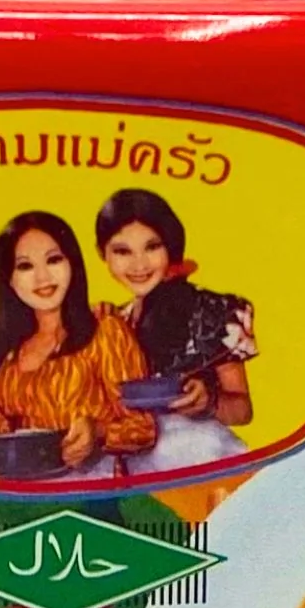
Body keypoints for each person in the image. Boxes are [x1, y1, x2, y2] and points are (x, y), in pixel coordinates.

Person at [0, 211, 156, 472]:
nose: (43, 278)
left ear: (72, 264)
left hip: (98, 483)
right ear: (9, 280)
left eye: (53, 260)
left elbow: (144, 427)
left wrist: (98, 431)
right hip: (26, 490)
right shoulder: (7, 358)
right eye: (25, 266)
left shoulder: (106, 332)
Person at [94, 187, 255, 475]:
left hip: (199, 454)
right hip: (136, 463)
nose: (139, 264)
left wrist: (209, 402)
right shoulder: (112, 321)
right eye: (122, 251)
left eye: (152, 247)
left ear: (170, 246)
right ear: (102, 254)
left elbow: (242, 410)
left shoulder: (213, 310)